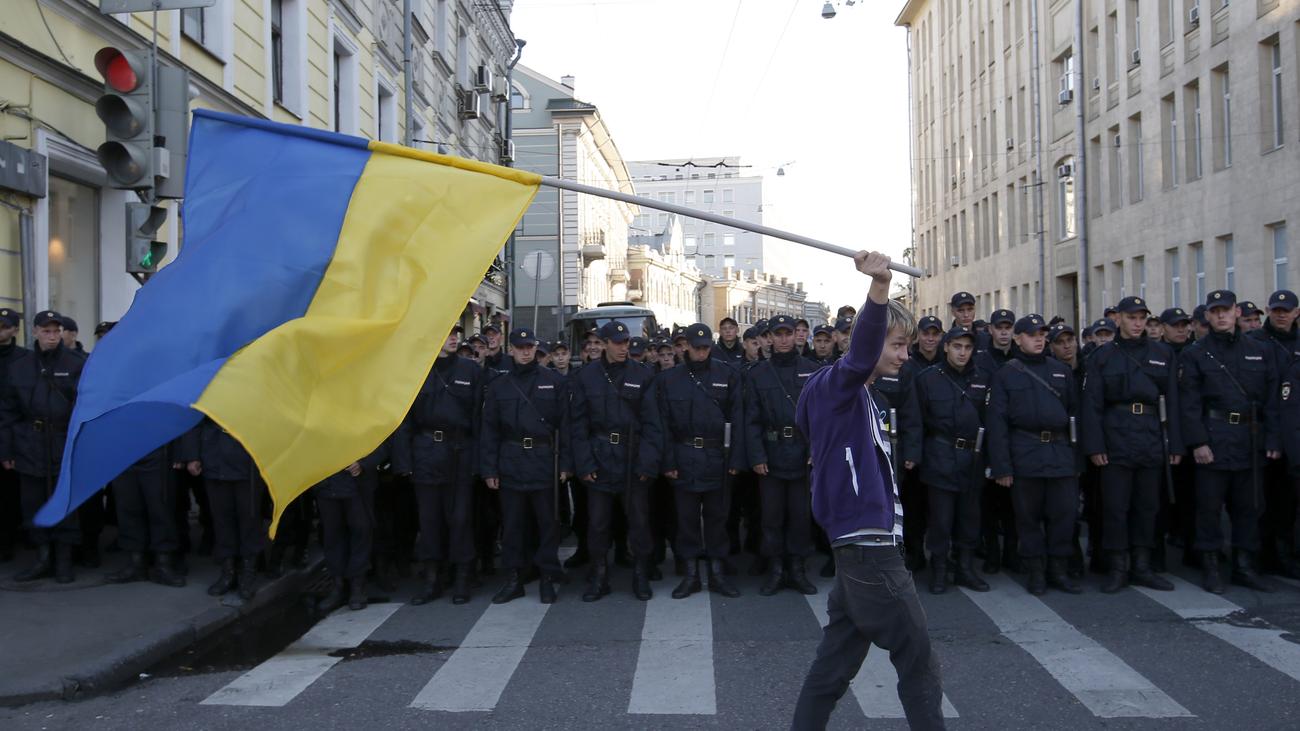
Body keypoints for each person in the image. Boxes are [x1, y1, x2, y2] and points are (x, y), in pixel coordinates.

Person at [791, 251, 944, 731]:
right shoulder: (837, 387)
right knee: (919, 663)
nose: (905, 355)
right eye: (898, 344)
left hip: (866, 546)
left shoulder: (860, 397)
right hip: (869, 548)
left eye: (908, 346)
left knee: (832, 669)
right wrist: (880, 287)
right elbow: (858, 356)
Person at [1179, 290, 1282, 593]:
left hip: (1250, 439)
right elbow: (1189, 404)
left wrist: (1273, 438)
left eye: (1226, 310)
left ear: (1237, 312)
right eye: (1215, 311)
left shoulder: (1259, 350)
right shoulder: (1195, 353)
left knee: (1249, 506)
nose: (1221, 315)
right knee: (1209, 507)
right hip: (1214, 437)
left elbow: (1272, 400)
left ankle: (1244, 566)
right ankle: (1211, 566)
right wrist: (1198, 442)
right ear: (1207, 316)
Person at [1079, 296, 1180, 593]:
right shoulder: (1102, 356)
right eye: (1132, 317)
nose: (1137, 323)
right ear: (1118, 319)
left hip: (1149, 435)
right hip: (1116, 436)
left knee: (1147, 506)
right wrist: (1095, 446)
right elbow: (1092, 405)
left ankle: (1142, 565)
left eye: (1142, 318)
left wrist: (1175, 445)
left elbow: (1173, 401)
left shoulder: (1162, 353)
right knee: (1115, 507)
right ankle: (1118, 567)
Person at [640, 323, 745, 599]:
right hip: (683, 456)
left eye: (705, 347)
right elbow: (660, 425)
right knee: (685, 521)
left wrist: (735, 458)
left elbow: (739, 419)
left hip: (717, 458)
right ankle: (690, 575)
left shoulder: (728, 375)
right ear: (685, 345)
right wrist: (668, 462)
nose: (701, 352)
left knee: (717, 519)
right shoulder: (669, 380)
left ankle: (717, 573)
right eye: (696, 347)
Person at [987, 314, 1081, 595]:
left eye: (1042, 334)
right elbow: (997, 423)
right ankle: (1036, 571)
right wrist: (1002, 467)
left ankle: (1058, 570)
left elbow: (1075, 416)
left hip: (1060, 453)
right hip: (1025, 452)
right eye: (1032, 334)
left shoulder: (1060, 371)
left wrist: (1077, 458)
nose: (1039, 339)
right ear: (1018, 338)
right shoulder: (1006, 373)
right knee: (1028, 519)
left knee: (1063, 516)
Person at [480, 327, 571, 604]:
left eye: (530, 346)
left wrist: (565, 463)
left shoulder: (552, 381)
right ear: (511, 350)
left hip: (544, 461)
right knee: (513, 525)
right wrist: (489, 469)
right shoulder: (499, 386)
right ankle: (514, 578)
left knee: (547, 523)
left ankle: (547, 576)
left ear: (536, 348)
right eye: (520, 347)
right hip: (511, 462)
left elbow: (565, 426)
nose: (525, 351)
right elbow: (490, 430)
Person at [900, 325, 992, 595]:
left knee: (969, 516)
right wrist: (913, 454)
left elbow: (993, 421)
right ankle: (939, 569)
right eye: (957, 347)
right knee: (941, 519)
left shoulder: (983, 377)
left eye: (967, 348)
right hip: (940, 455)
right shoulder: (928, 378)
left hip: (973, 456)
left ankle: (964, 567)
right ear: (946, 347)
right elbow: (915, 419)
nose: (962, 353)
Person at [393, 327, 482, 605]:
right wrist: (403, 461)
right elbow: (404, 420)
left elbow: (480, 419)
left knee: (460, 518)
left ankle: (462, 576)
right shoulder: (416, 370)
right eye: (446, 333)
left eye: (455, 333)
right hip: (426, 453)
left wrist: (480, 462)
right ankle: (432, 578)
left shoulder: (470, 371)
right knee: (429, 520)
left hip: (459, 452)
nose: (453, 337)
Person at [570, 320, 655, 601]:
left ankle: (641, 573)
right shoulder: (586, 376)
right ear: (604, 343)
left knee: (640, 521)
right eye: (617, 343)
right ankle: (599, 574)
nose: (623, 347)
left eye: (626, 342)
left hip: (632, 457)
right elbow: (578, 425)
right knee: (598, 523)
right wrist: (585, 464)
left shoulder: (642, 374)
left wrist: (647, 462)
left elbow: (653, 424)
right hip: (600, 457)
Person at [3, 311, 86, 583]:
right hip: (29, 443)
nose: (52, 336)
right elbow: (8, 412)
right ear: (35, 332)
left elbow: (84, 406)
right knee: (34, 504)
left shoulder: (76, 363)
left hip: (63, 442)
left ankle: (63, 561)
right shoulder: (20, 366)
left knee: (63, 502)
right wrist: (8, 450)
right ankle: (42, 558)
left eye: (56, 331)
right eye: (46, 331)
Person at [742, 314, 819, 596]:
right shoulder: (758, 374)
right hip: (771, 454)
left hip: (801, 453)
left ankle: (797, 569)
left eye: (789, 333)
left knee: (800, 515)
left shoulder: (811, 370)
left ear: (796, 336)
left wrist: (815, 450)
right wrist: (757, 456)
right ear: (769, 338)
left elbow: (819, 416)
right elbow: (751, 419)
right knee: (771, 516)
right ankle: (776, 569)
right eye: (779, 334)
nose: (784, 339)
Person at [180, 417, 267, 600]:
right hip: (214, 457)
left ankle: (248, 572)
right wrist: (192, 455)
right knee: (222, 520)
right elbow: (194, 417)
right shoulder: (204, 386)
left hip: (248, 459)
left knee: (249, 518)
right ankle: (228, 571)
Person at [1248, 290, 1299, 576]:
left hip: (1295, 432)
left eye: (1286, 310)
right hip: (1266, 432)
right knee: (1265, 499)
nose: (1281, 314)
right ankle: (1265, 554)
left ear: (1296, 313)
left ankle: (1285, 552)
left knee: (1288, 501)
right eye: (1276, 309)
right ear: (1268, 310)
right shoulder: (1255, 342)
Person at [314, 441, 387, 612]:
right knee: (332, 535)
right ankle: (338, 586)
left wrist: (364, 463)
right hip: (326, 481)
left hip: (357, 483)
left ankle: (357, 586)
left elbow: (382, 440)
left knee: (360, 531)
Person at [0, 308, 25, 564]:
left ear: (15, 330)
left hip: (12, 434)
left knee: (9, 494)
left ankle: (9, 540)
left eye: (4, 326)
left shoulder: (24, 359)